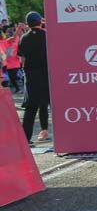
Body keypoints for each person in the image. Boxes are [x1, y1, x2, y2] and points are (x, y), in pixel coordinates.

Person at [17, 12, 49, 143]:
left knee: (31, 108)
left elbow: (21, 56)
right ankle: (55, 135)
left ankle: (26, 139)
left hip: (31, 77)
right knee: (48, 105)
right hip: (46, 75)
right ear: (39, 21)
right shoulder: (46, 35)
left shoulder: (24, 38)